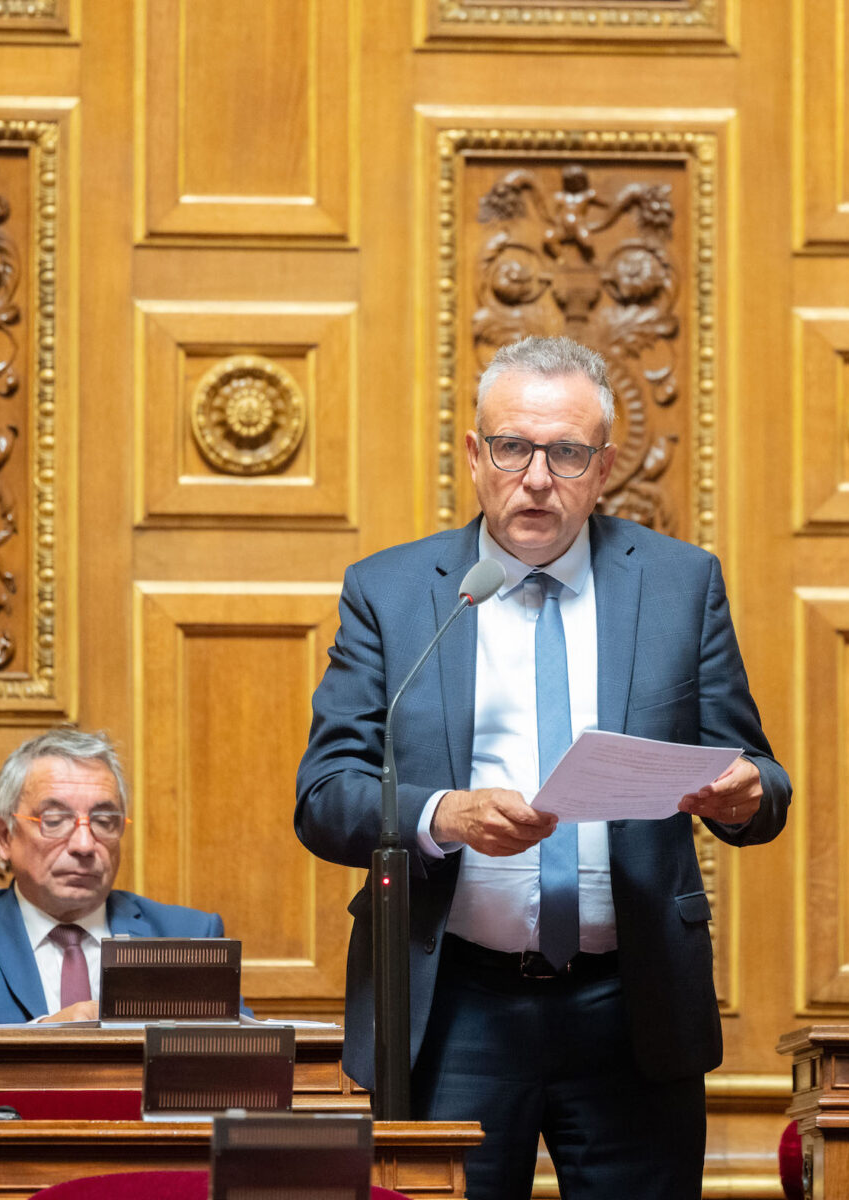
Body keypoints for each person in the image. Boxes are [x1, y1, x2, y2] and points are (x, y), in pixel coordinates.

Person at [295, 336, 791, 1199]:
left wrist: (747, 797)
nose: (536, 478)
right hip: (454, 1005)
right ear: (475, 456)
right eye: (513, 448)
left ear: (602, 469)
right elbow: (325, 794)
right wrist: (442, 815)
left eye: (565, 453)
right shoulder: (395, 593)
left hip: (630, 1004)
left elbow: (760, 777)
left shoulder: (679, 585)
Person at [0, 727, 227, 1027]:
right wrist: (48, 1034)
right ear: (5, 836)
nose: (84, 844)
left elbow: (238, 1070)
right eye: (54, 820)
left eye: (104, 820)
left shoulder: (189, 937)